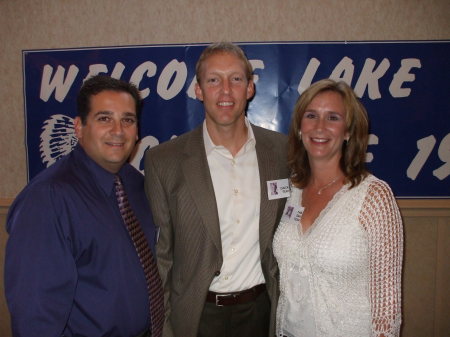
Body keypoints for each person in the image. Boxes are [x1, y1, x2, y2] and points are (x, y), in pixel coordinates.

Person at [144, 42, 289, 337]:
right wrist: (165, 326)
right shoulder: (164, 161)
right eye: (213, 80)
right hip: (196, 317)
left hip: (261, 313)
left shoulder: (283, 152)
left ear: (250, 88)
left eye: (235, 79)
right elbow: (161, 257)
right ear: (198, 90)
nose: (225, 91)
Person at [5, 75, 163, 337]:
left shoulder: (135, 185)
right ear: (79, 127)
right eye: (104, 118)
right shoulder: (47, 200)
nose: (118, 130)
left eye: (127, 120)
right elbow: (35, 315)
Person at [273, 79, 403, 337]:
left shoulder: (374, 197)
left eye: (333, 117)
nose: (320, 127)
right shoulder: (290, 189)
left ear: (348, 132)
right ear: (300, 127)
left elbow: (387, 310)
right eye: (311, 116)